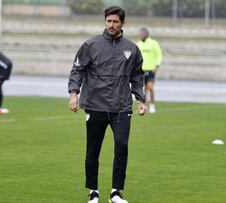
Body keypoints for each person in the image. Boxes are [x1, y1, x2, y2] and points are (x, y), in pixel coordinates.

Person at [68, 6, 146, 203]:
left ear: (123, 24)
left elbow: (137, 76)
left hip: (121, 106)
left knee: (122, 146)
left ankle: (115, 192)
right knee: (93, 150)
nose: (111, 25)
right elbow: (77, 70)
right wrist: (73, 94)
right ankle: (93, 192)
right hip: (95, 105)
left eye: (115, 22)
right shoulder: (90, 45)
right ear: (105, 22)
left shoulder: (131, 48)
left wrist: (141, 99)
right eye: (109, 21)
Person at [136, 28, 162, 113]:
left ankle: (152, 105)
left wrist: (157, 66)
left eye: (142, 34)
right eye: (139, 34)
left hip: (151, 69)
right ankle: (144, 106)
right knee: (143, 90)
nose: (140, 36)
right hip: (141, 70)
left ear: (146, 34)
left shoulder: (153, 43)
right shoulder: (138, 44)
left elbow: (159, 55)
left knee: (150, 88)